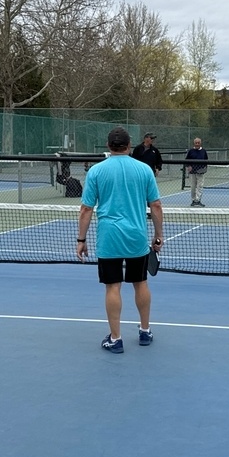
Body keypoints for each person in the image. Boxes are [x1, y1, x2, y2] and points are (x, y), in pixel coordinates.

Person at [76, 127, 164, 354]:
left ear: (108, 146)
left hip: (109, 238)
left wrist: (81, 239)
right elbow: (155, 205)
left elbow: (86, 209)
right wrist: (158, 235)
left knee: (112, 286)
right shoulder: (144, 170)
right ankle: (145, 331)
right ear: (129, 144)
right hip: (136, 237)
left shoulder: (96, 171)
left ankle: (116, 339)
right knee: (140, 283)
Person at [185, 136, 208, 207]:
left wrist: (204, 168)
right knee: (193, 187)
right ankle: (193, 200)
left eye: (198, 143)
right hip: (192, 173)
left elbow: (206, 160)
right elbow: (186, 160)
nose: (197, 144)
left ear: (200, 143)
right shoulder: (190, 151)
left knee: (200, 186)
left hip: (200, 172)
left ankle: (198, 200)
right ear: (194, 143)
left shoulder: (203, 151)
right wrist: (189, 166)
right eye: (196, 143)